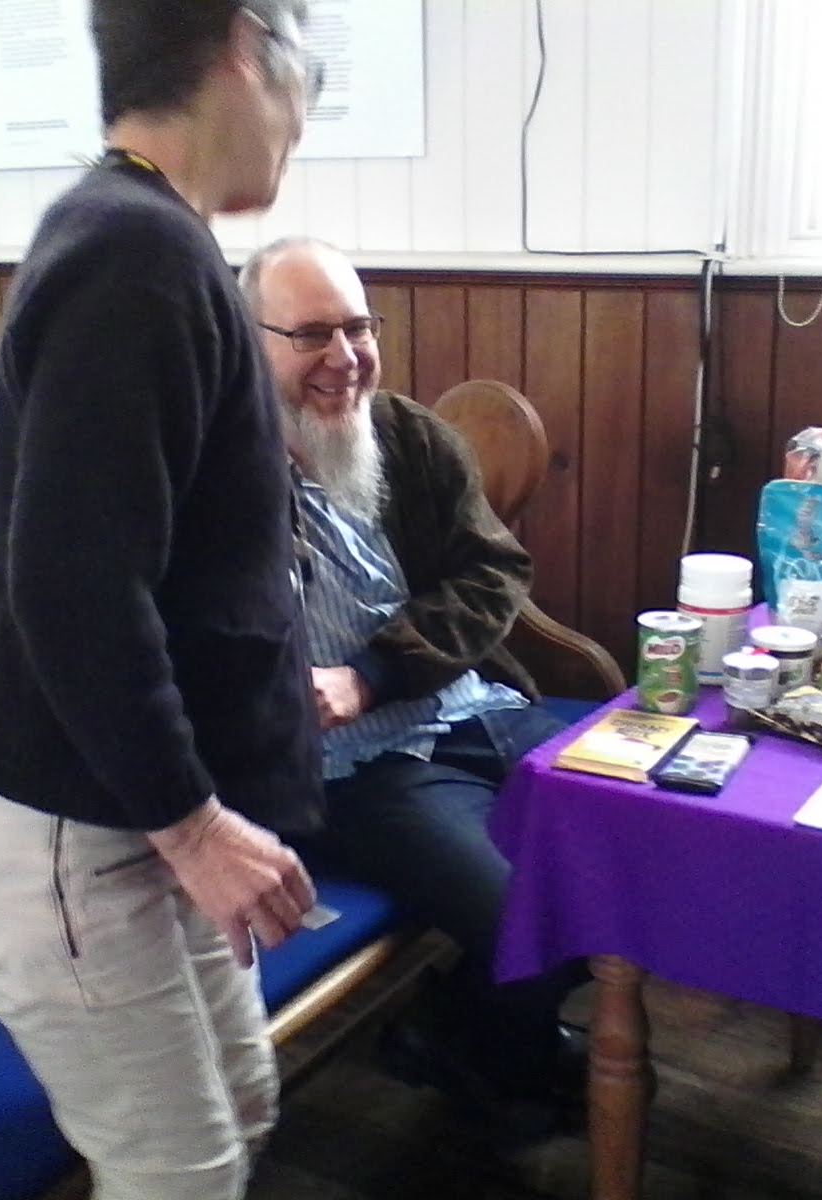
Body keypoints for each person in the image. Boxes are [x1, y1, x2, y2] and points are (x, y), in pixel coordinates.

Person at [0, 5, 327, 1197]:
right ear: (245, 48)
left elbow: (175, 561)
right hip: (65, 828)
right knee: (179, 1176)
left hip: (126, 814)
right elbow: (72, 587)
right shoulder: (130, 252)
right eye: (306, 90)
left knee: (239, 1109)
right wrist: (194, 825)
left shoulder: (148, 237)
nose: (299, 130)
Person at [239, 237, 589, 1140]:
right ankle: (504, 1055)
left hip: (466, 706)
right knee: (526, 918)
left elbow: (492, 575)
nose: (345, 358)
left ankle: (465, 1036)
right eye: (311, 334)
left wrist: (375, 672)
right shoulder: (215, 470)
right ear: (249, 338)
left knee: (630, 836)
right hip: (353, 773)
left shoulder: (410, 437)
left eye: (359, 328)